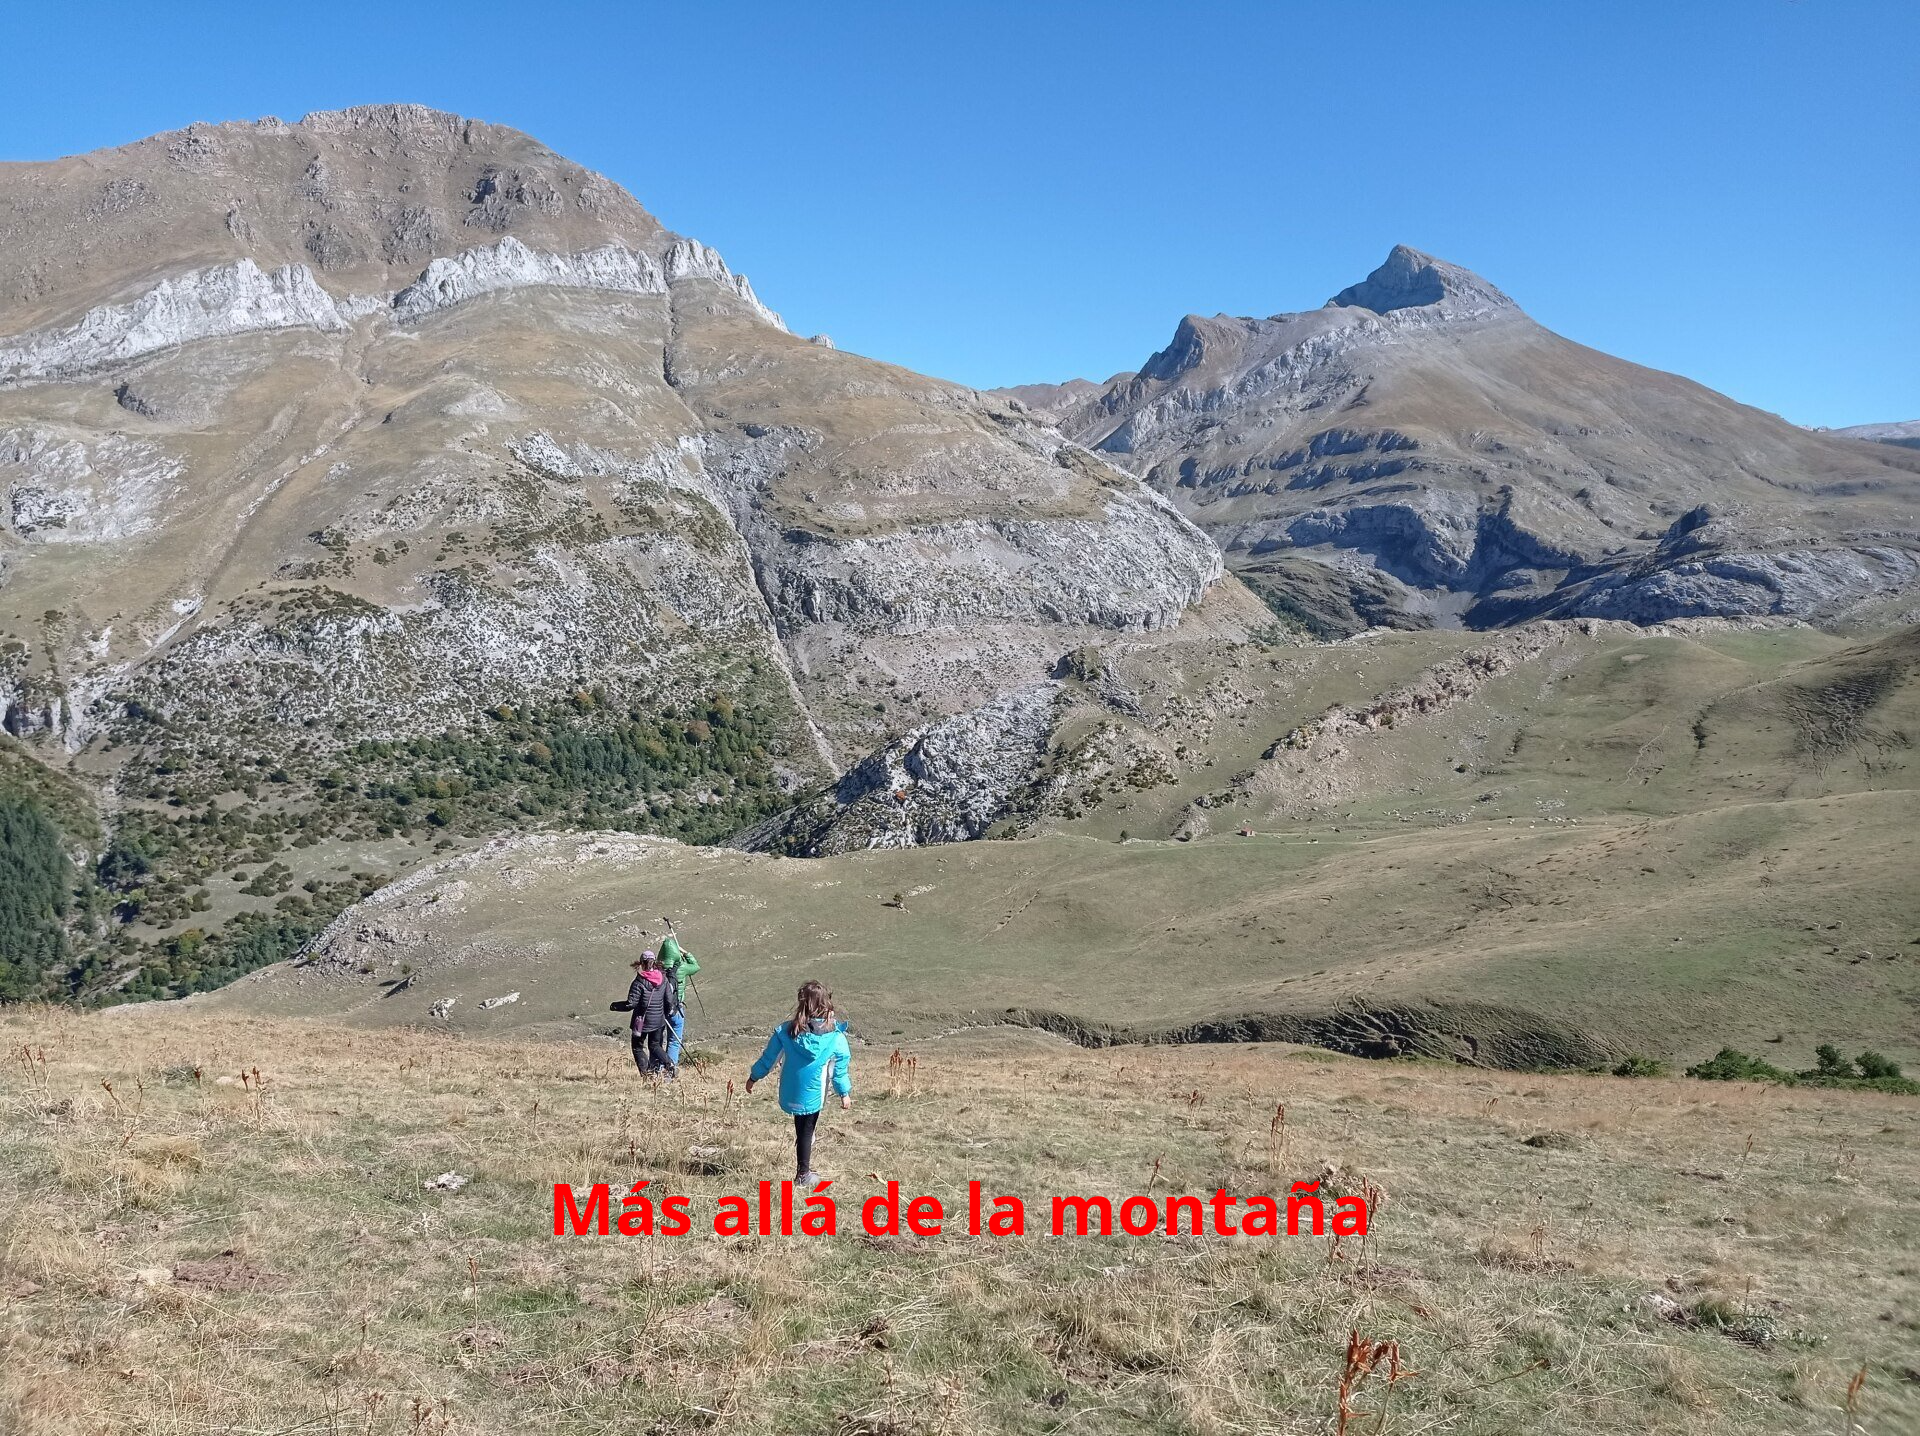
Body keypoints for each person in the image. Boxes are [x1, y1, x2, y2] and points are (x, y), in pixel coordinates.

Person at [746, 980, 852, 1184]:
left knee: (801, 1126)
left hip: (790, 1091)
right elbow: (839, 1070)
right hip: (814, 1094)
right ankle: (803, 1174)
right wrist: (844, 1093)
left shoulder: (786, 1031)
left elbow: (769, 1059)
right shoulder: (836, 1038)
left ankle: (804, 1161)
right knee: (807, 1128)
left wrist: (753, 1077)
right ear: (827, 1004)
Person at [609, 951, 680, 1079]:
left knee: (637, 1047)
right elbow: (669, 1000)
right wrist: (666, 1013)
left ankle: (647, 1076)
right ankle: (670, 1064)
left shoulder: (639, 981)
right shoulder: (663, 979)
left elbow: (631, 1004)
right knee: (655, 1046)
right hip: (659, 1021)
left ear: (641, 963)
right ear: (654, 962)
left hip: (642, 1023)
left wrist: (615, 1006)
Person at [657, 931, 701, 1068]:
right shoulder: (682, 967)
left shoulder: (656, 969)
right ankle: (669, 1071)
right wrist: (684, 952)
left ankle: (656, 1070)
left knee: (657, 1042)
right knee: (674, 1041)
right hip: (676, 1008)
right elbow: (696, 966)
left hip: (658, 1010)